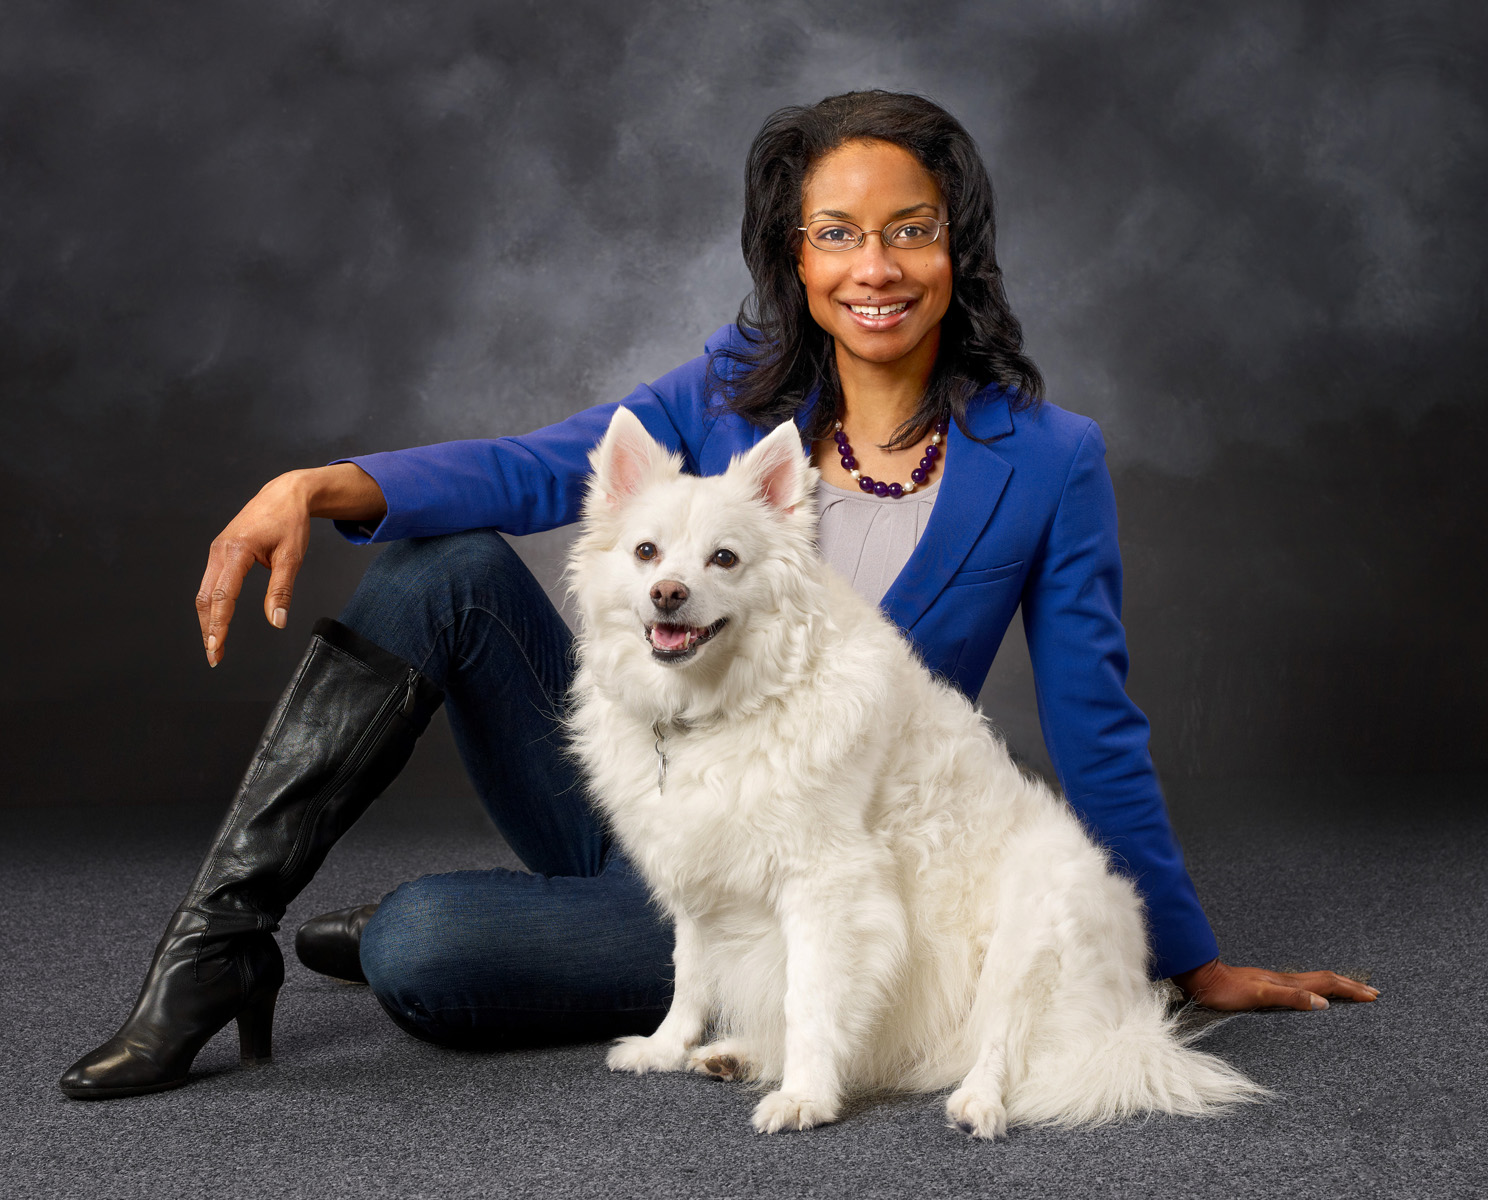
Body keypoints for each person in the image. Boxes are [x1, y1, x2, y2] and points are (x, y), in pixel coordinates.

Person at [60, 91, 1377, 1100]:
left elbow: (1097, 722)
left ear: (957, 250)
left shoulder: (1048, 462)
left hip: (801, 871)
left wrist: (1187, 955)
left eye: (910, 230)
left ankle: (470, 931)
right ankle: (217, 946)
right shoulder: (737, 387)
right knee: (445, 572)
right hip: (639, 795)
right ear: (794, 255)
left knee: (420, 950)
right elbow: (540, 468)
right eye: (838, 234)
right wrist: (325, 481)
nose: (875, 266)